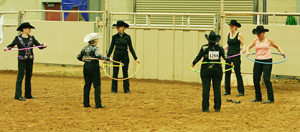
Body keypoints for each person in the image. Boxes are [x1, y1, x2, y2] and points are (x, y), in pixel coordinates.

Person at [4, 22, 47, 101]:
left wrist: (43, 45)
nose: (30, 30)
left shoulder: (32, 38)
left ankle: (28, 94)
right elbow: (11, 46)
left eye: (30, 29)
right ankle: (18, 95)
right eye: (28, 28)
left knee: (28, 77)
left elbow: (39, 46)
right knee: (20, 77)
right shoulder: (17, 39)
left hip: (30, 60)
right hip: (22, 60)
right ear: (23, 29)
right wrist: (7, 48)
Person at [246, 25, 285, 103]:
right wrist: (247, 51)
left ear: (263, 33)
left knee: (266, 79)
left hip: (267, 61)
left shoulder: (268, 40)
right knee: (255, 79)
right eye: (257, 34)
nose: (258, 35)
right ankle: (258, 97)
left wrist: (282, 52)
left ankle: (270, 98)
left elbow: (277, 46)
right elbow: (248, 46)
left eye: (259, 33)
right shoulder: (255, 40)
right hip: (257, 61)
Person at [192, 31, 228, 112]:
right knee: (217, 88)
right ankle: (217, 107)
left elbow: (199, 57)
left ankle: (205, 108)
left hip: (206, 70)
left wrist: (193, 63)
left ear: (208, 40)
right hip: (217, 70)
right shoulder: (220, 48)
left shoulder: (204, 47)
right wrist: (230, 62)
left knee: (206, 88)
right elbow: (226, 57)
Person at [77, 33, 113, 109]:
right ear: (95, 41)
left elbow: (79, 57)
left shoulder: (84, 48)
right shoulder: (95, 48)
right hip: (94, 67)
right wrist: (108, 59)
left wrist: (86, 60)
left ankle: (86, 103)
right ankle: (98, 104)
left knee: (87, 85)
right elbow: (98, 56)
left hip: (86, 66)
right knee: (97, 85)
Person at [106, 20, 140, 93]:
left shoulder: (127, 37)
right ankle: (114, 89)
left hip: (125, 55)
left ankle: (126, 89)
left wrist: (136, 58)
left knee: (125, 73)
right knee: (115, 73)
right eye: (117, 27)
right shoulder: (114, 37)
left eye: (119, 27)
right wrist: (107, 58)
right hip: (116, 55)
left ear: (123, 27)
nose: (118, 28)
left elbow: (131, 48)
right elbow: (111, 48)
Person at [223, 20, 245, 96]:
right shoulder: (228, 34)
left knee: (237, 73)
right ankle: (227, 90)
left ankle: (241, 91)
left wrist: (243, 49)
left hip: (236, 56)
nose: (231, 26)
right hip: (228, 56)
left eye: (232, 25)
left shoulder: (239, 35)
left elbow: (243, 44)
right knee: (227, 73)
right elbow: (228, 45)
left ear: (236, 27)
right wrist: (221, 49)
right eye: (230, 25)